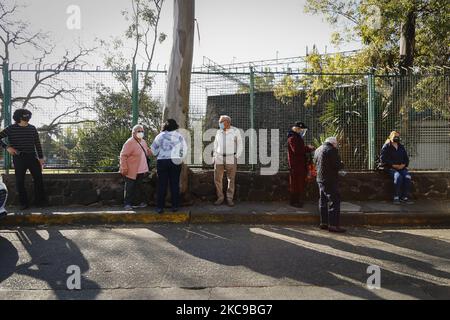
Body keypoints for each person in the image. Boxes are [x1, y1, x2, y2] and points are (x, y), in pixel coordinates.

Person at [0, 109, 47, 210]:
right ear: (19, 117)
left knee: (38, 179)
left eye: (29, 115)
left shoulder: (32, 128)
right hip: (19, 158)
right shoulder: (11, 129)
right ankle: (24, 203)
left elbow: (37, 144)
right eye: (25, 115)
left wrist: (41, 158)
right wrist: (7, 147)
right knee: (20, 181)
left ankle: (40, 202)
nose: (28, 117)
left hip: (32, 157)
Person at [151, 119, 187, 214]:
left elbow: (153, 149)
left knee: (162, 184)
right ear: (175, 126)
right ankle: (175, 206)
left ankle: (160, 207)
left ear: (165, 126)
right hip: (175, 161)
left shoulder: (160, 136)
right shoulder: (179, 136)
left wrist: (159, 152)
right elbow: (184, 149)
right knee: (174, 184)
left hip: (162, 161)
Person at [314, 137, 346, 233]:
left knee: (323, 200)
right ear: (333, 143)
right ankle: (333, 225)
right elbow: (336, 164)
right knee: (334, 201)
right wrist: (341, 164)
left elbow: (315, 162)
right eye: (336, 144)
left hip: (320, 178)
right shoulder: (331, 150)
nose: (336, 146)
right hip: (330, 179)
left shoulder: (318, 149)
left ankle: (323, 223)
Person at [213, 115, 243, 207]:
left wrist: (236, 156)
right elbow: (215, 144)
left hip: (231, 157)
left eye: (221, 122)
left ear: (227, 122)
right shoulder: (218, 132)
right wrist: (214, 155)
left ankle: (229, 198)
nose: (219, 123)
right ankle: (220, 197)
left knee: (231, 179)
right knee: (217, 179)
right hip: (219, 157)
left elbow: (240, 144)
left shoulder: (235, 131)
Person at [119, 124, 152, 210]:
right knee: (129, 187)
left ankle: (139, 203)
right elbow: (123, 155)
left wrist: (156, 149)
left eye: (142, 131)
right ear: (133, 133)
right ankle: (127, 204)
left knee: (139, 187)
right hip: (131, 170)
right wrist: (124, 167)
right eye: (139, 131)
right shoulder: (129, 142)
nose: (141, 133)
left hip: (141, 170)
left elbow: (147, 152)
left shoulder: (143, 142)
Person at [380, 131, 413, 205]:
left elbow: (406, 158)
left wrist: (404, 165)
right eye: (395, 136)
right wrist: (393, 165)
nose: (396, 138)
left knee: (407, 177)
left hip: (402, 167)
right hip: (390, 168)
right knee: (398, 177)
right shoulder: (386, 146)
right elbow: (383, 159)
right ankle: (396, 197)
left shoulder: (401, 146)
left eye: (397, 136)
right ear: (390, 137)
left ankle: (404, 197)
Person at [287, 121, 315, 208]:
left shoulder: (296, 137)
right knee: (296, 184)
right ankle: (294, 201)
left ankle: (297, 201)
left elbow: (298, 149)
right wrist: (308, 148)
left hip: (299, 165)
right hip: (296, 165)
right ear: (298, 129)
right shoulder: (293, 138)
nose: (303, 132)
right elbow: (297, 150)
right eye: (302, 130)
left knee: (298, 183)